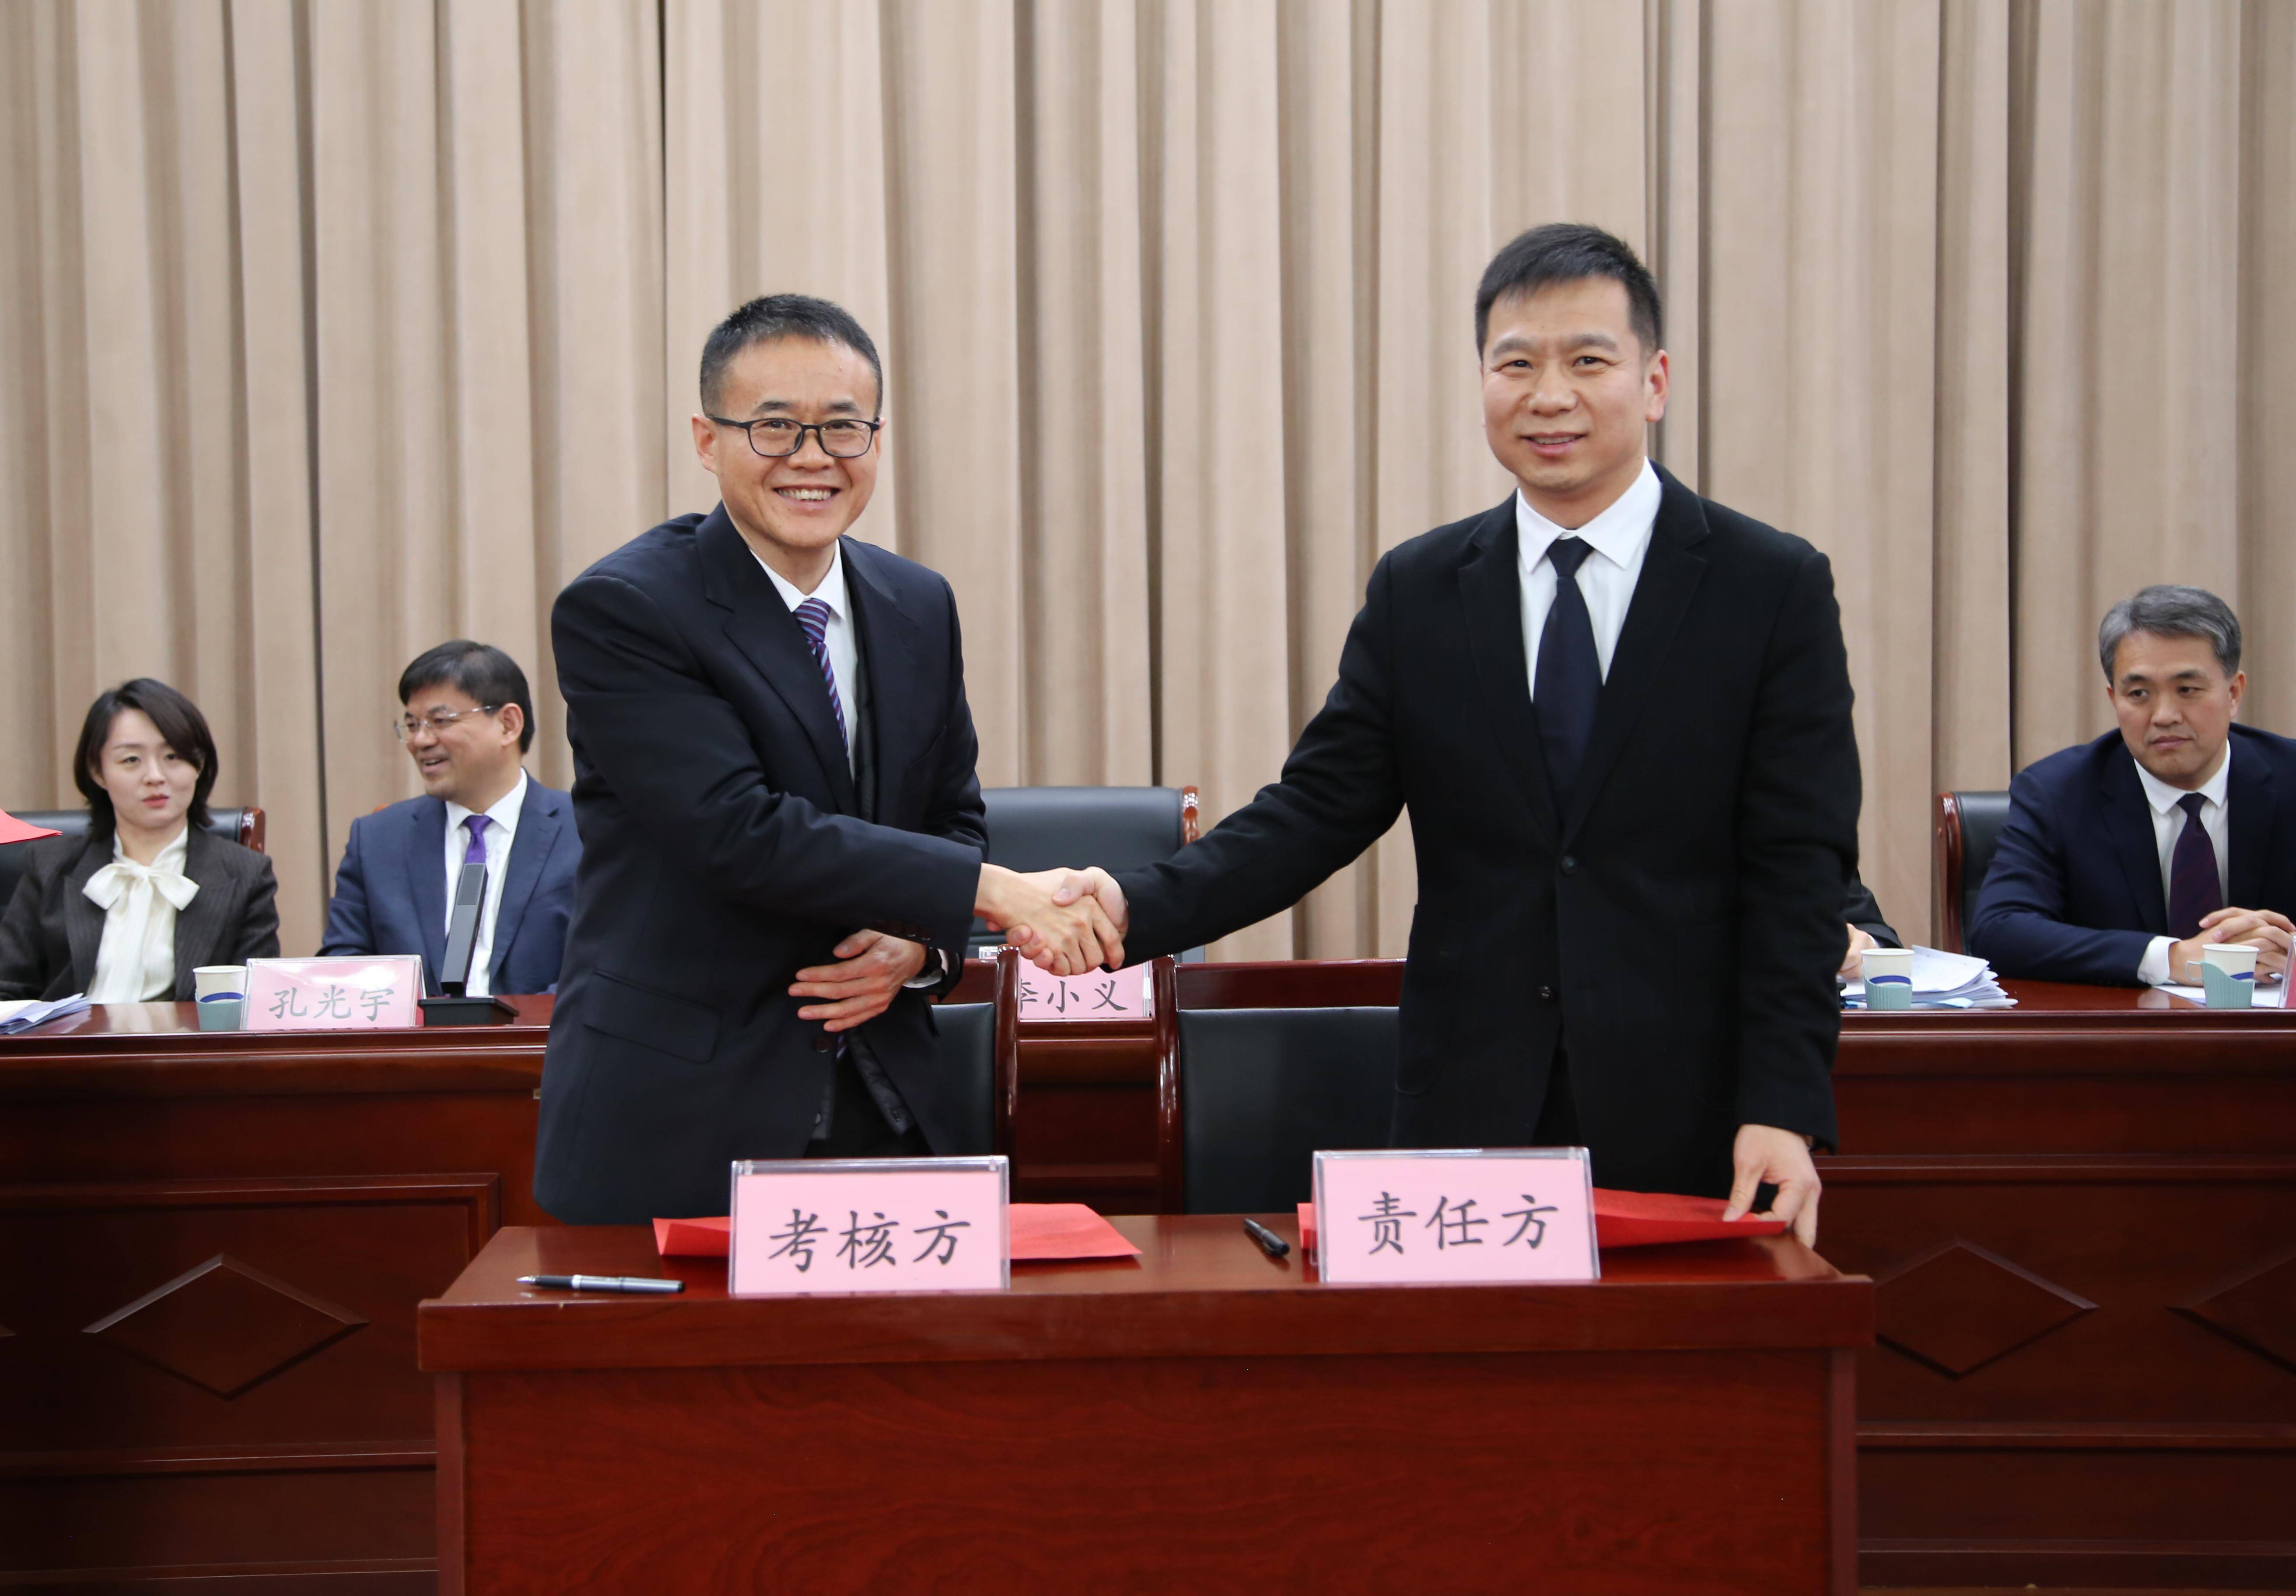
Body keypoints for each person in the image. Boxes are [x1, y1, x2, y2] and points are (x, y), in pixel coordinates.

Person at [1041, 224, 1860, 1243]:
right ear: (1481, 383)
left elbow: (1798, 871)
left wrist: (1783, 1103)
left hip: (1697, 1120)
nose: (1548, 396)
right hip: (1469, 1110)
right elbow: (1314, 811)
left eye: (1586, 361)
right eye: (1515, 365)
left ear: (1652, 382)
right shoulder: (1421, 590)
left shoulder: (1768, 588)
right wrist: (1129, 905)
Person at [533, 294, 1116, 1224]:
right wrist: (990, 892)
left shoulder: (917, 603)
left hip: (888, 1102)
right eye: (774, 427)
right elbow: (737, 830)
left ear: (876, 440)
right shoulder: (626, 608)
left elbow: (952, 814)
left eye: (842, 428)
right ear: (707, 439)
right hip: (685, 1110)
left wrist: (919, 943)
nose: (811, 458)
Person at [1968, 585, 2296, 987]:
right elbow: (1999, 931)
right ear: (2114, 699)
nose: (2164, 715)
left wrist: (2288, 948)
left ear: (2233, 693)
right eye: (2139, 694)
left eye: (2187, 690)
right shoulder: (2057, 793)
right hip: (2126, 1023)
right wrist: (2173, 958)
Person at [320, 641, 578, 997]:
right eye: (412, 725)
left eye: (440, 721)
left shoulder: (585, 832)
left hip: (545, 1031)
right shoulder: (377, 840)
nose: (420, 740)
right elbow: (344, 967)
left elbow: (604, 964)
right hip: (414, 1034)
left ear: (508, 724)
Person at [0, 679, 279, 1001]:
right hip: (70, 1036)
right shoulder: (49, 866)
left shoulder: (247, 875)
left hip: (184, 1037)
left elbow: (253, 1004)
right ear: (98, 772)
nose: (155, 776)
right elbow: (8, 989)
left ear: (199, 765)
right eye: (131, 760)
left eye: (173, 757)